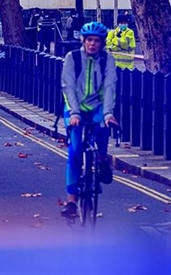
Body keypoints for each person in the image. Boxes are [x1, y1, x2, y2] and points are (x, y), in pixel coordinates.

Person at [60, 21, 119, 218]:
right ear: (83, 41)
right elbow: (68, 86)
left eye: (97, 41)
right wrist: (75, 113)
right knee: (75, 152)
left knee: (103, 126)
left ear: (102, 43)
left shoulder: (107, 60)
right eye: (89, 40)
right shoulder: (72, 58)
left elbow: (110, 86)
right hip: (74, 107)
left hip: (98, 106)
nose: (92, 44)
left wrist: (109, 113)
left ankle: (102, 159)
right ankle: (71, 202)